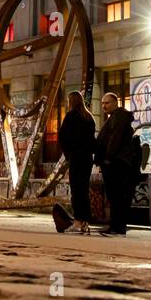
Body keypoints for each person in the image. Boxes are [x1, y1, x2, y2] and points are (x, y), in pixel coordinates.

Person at [95, 93, 139, 236]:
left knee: (117, 196)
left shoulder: (119, 117)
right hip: (115, 163)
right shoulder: (115, 118)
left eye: (107, 103)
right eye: (102, 103)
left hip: (117, 164)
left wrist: (107, 158)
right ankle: (115, 226)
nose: (103, 106)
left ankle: (118, 228)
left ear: (115, 103)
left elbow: (114, 139)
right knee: (115, 197)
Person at [54, 90, 96, 234]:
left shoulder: (71, 116)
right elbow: (92, 140)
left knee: (76, 191)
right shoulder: (89, 117)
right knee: (83, 190)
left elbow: (63, 136)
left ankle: (78, 222)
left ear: (71, 101)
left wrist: (68, 154)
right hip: (87, 158)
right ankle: (85, 222)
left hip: (77, 158)